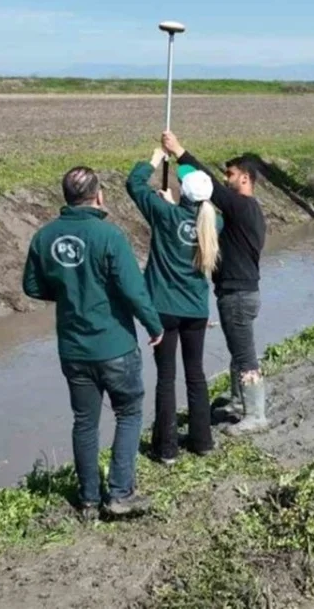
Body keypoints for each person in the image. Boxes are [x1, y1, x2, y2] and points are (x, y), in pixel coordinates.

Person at [22, 165, 164, 521]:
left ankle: (87, 499)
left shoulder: (44, 237)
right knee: (129, 413)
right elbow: (134, 290)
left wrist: (71, 291)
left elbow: (32, 287)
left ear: (66, 197)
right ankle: (119, 494)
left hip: (72, 348)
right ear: (98, 195)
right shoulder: (109, 236)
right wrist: (154, 325)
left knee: (84, 421)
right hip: (114, 344)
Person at [161, 130, 268, 435]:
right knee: (239, 349)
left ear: (245, 178)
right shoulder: (246, 211)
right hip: (240, 292)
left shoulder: (241, 206)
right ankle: (238, 402)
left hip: (238, 295)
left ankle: (256, 415)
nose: (226, 179)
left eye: (231, 174)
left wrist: (180, 152)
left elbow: (205, 185)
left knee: (245, 354)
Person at [125, 148, 224, 464]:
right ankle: (202, 440)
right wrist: (174, 202)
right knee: (196, 374)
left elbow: (134, 184)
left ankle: (166, 449)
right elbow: (194, 218)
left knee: (166, 377)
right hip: (196, 310)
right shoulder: (215, 223)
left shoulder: (165, 214)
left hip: (163, 309)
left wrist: (154, 159)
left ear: (183, 194)